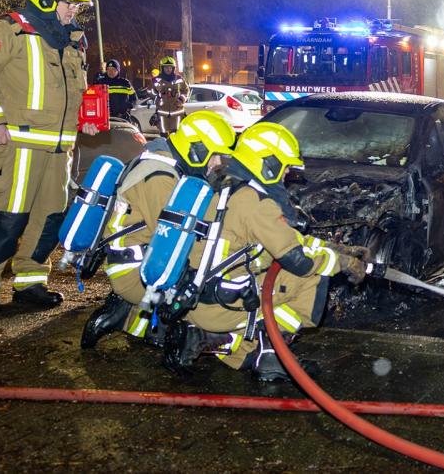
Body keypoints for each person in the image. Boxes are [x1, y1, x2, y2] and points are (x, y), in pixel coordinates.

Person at [167, 122, 370, 381]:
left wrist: (337, 247)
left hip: (194, 301)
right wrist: (341, 262)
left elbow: (288, 239)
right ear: (267, 162)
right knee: (313, 276)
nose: (287, 173)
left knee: (286, 273)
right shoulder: (257, 203)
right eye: (284, 166)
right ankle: (272, 353)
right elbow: (298, 261)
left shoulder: (225, 186)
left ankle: (222, 342)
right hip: (222, 306)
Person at [0, 0, 100, 315]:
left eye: (77, 6)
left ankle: (31, 282)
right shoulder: (11, 28)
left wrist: (85, 119)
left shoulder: (72, 39)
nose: (73, 11)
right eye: (69, 4)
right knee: (9, 218)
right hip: (19, 144)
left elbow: (72, 91)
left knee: (50, 218)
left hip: (59, 148)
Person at [80, 110, 237, 349]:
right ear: (197, 149)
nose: (216, 164)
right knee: (202, 278)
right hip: (135, 270)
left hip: (140, 259)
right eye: (214, 156)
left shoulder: (163, 160)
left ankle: (136, 317)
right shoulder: (160, 177)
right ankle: (133, 315)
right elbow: (174, 237)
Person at [152, 56, 188, 135]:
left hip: (177, 112)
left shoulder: (179, 79)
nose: (168, 69)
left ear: (173, 68)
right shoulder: (156, 80)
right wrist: (156, 90)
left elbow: (186, 90)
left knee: (176, 135)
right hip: (162, 112)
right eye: (166, 67)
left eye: (170, 67)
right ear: (162, 68)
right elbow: (151, 93)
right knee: (163, 134)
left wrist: (181, 100)